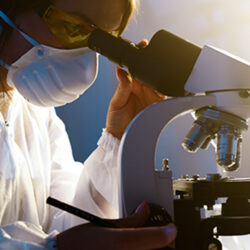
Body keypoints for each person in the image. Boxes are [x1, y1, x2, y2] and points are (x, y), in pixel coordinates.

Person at [0, 0, 177, 249]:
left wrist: (118, 138)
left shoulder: (38, 115)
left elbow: (66, 225)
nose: (84, 62)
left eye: (100, 41)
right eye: (72, 26)